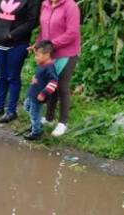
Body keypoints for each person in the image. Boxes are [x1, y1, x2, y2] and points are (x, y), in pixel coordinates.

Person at [0, 0, 40, 124]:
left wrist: (12, 35)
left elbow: (32, 21)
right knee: (1, 76)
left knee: (13, 77)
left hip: (18, 44)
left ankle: (11, 111)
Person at [34, 0, 81, 137]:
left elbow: (72, 33)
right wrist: (38, 45)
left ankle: (62, 123)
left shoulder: (70, 6)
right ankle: (49, 118)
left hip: (67, 54)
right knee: (51, 85)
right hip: (49, 54)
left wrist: (49, 46)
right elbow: (42, 30)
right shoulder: (45, 4)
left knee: (62, 87)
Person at [22, 41, 58, 140]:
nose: (35, 57)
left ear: (47, 55)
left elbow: (54, 82)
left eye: (37, 55)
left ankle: (36, 132)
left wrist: (44, 93)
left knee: (34, 114)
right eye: (35, 55)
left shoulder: (50, 68)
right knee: (27, 107)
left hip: (38, 96)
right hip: (32, 93)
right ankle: (36, 123)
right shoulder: (42, 64)